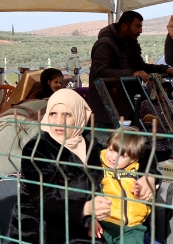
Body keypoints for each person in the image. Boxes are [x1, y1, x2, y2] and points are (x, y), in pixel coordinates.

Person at [8, 89, 156, 244]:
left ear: (79, 116)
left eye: (67, 114)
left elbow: (141, 150)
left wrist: (149, 176)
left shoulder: (90, 142)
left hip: (91, 228)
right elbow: (44, 203)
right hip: (42, 230)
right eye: (53, 113)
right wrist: (85, 209)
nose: (59, 121)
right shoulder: (38, 149)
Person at [89, 11, 173, 129]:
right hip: (107, 114)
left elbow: (142, 67)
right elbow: (101, 71)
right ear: (124, 26)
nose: (140, 31)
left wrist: (166, 69)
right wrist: (132, 74)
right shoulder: (105, 44)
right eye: (137, 26)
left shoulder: (130, 45)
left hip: (127, 109)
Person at [93, 127, 152, 244]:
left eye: (121, 155)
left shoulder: (137, 171)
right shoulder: (98, 165)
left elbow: (147, 196)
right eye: (111, 150)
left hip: (132, 228)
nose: (113, 157)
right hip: (104, 223)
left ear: (132, 159)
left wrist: (140, 192)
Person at [139, 80, 173, 161]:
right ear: (154, 93)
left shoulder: (170, 104)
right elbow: (139, 121)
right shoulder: (145, 104)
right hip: (152, 138)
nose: (165, 94)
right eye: (162, 92)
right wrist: (146, 121)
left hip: (168, 137)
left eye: (167, 92)